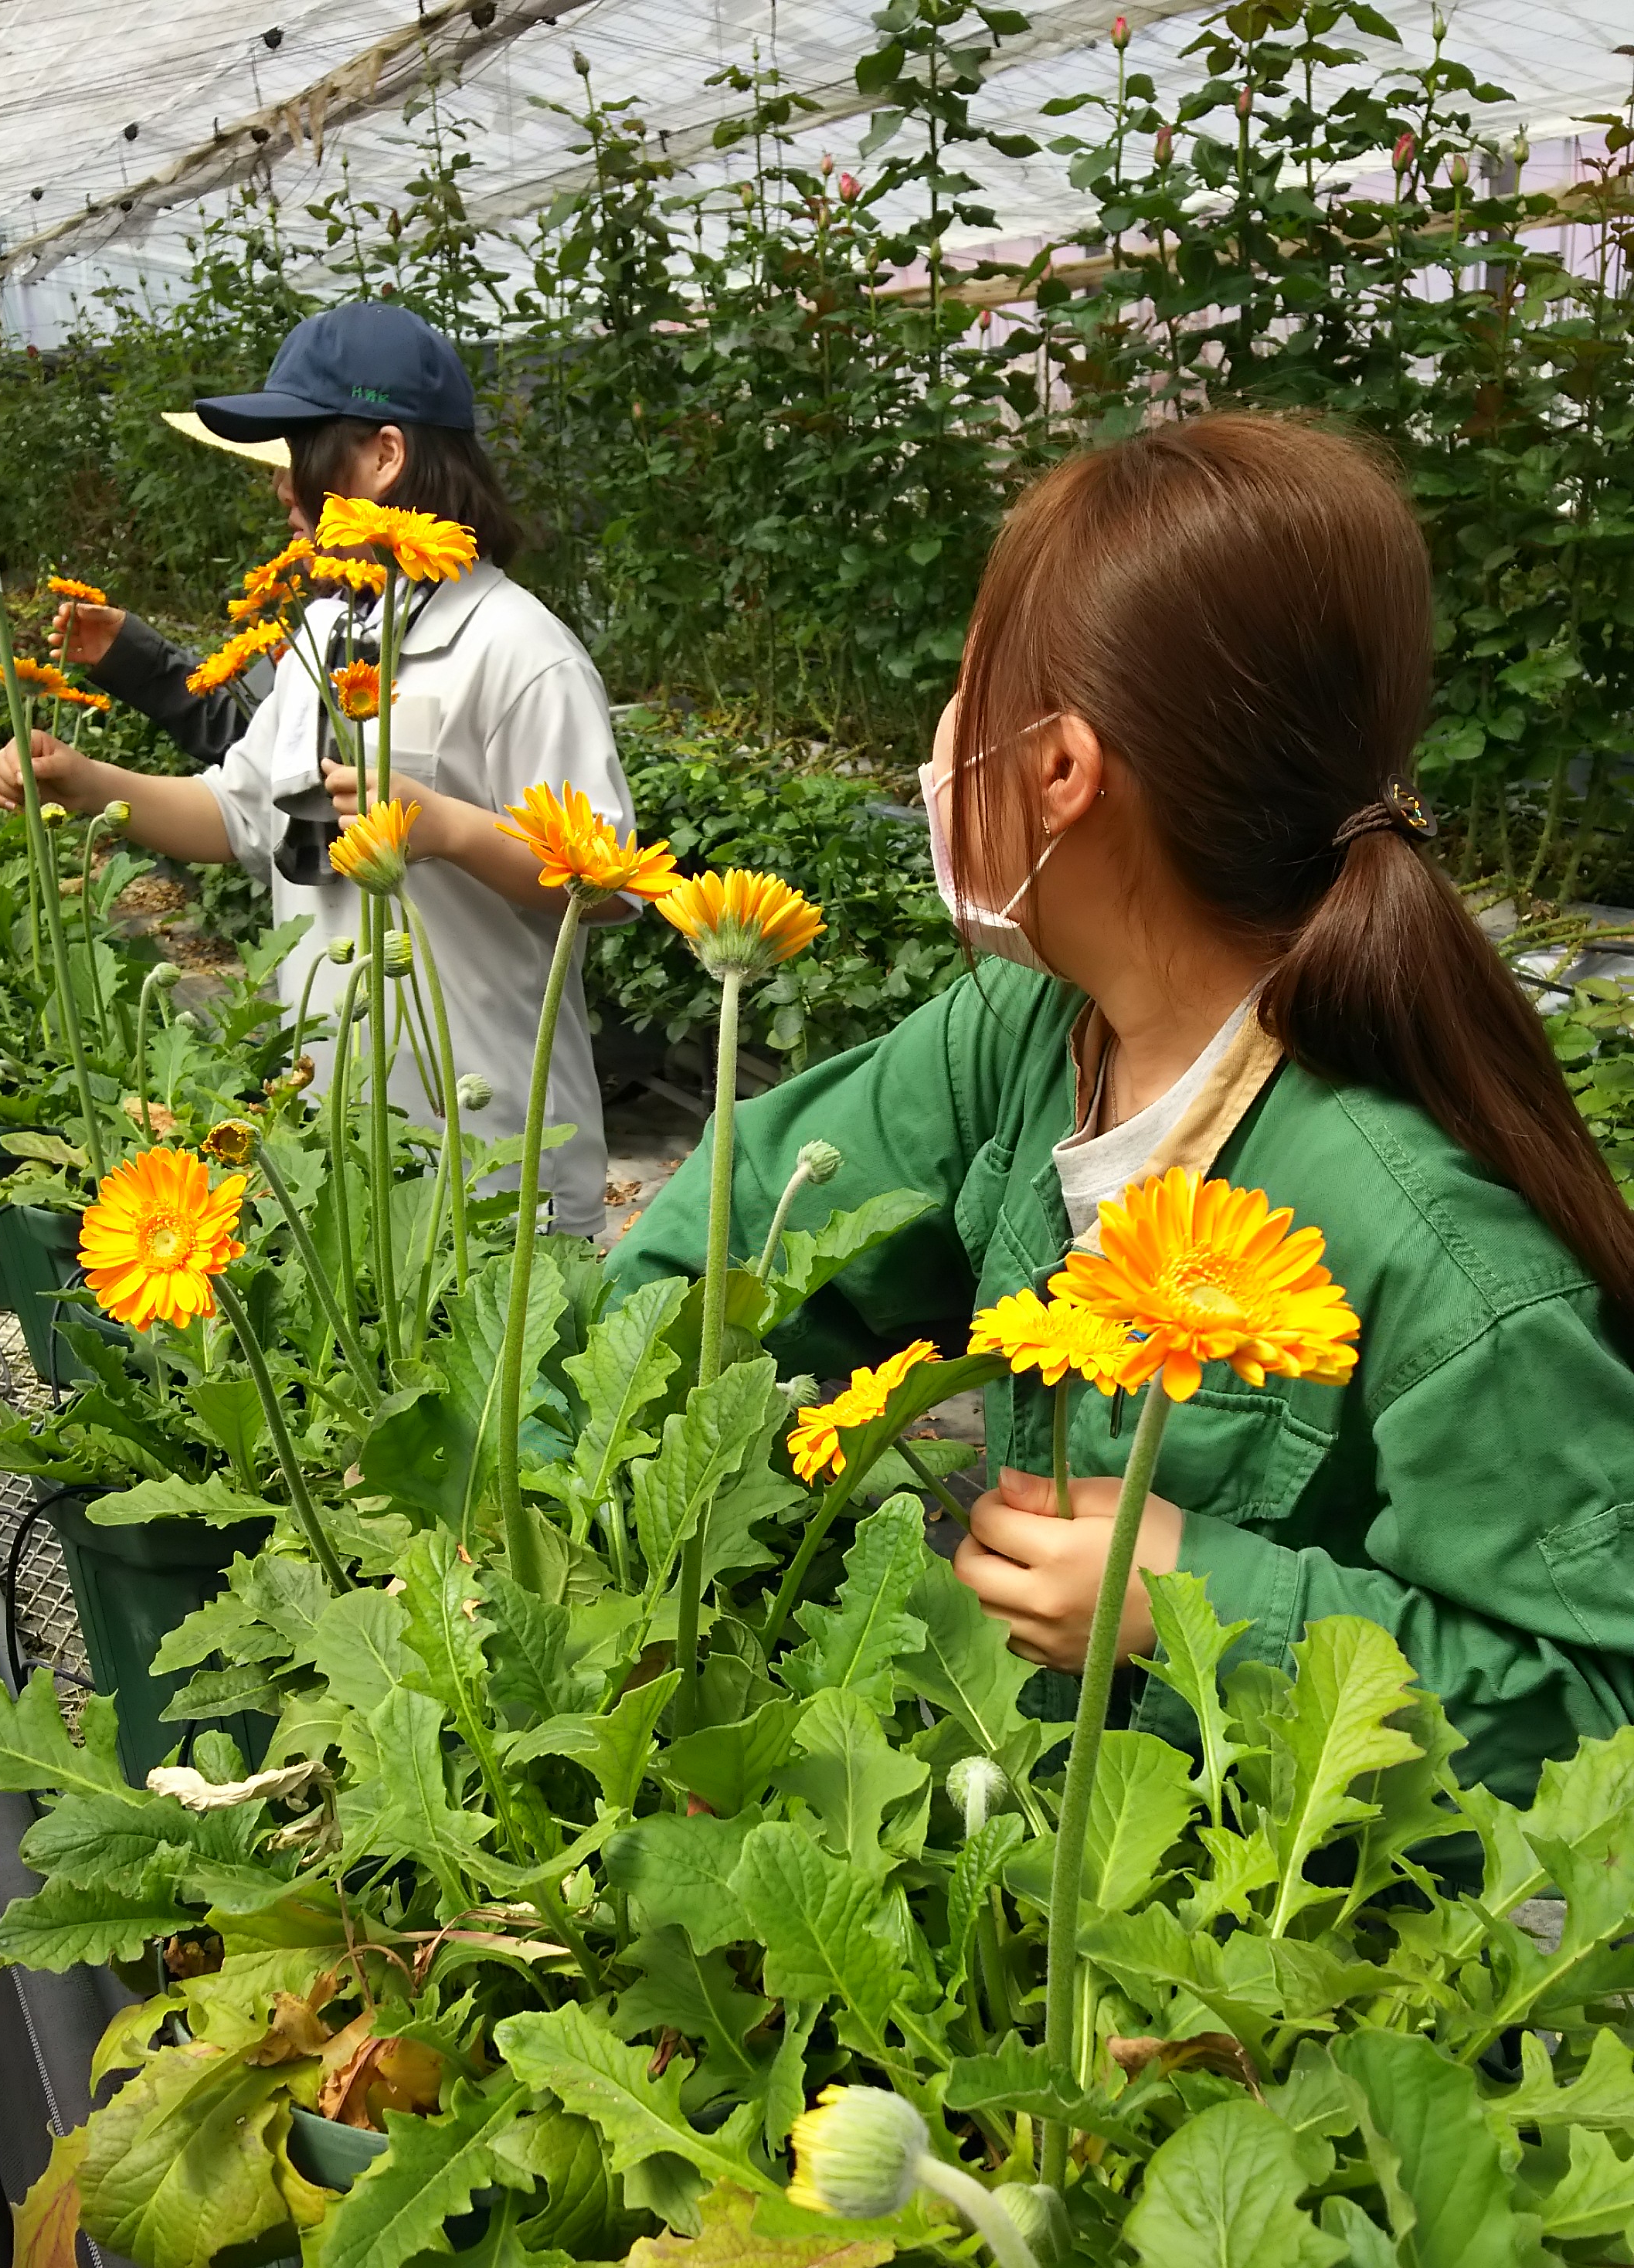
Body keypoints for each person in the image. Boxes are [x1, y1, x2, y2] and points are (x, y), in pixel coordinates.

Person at [610, 413, 1634, 1806]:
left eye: (968, 684)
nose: (941, 740)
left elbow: (1598, 1714)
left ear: (1059, 769)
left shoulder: (1440, 1250)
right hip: (1030, 1851)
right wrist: (592, 1538)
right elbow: (708, 1275)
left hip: (1264, 1923)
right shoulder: (1022, 1036)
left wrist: (1204, 1605)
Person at [0, 304, 631, 1233]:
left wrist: (446, 827)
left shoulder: (520, 651)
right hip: (340, 1149)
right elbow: (242, 814)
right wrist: (89, 784)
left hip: (493, 1167)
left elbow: (605, 883)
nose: (282, 486)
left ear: (384, 456)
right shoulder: (327, 632)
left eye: (300, 451)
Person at [44, 413, 294, 763]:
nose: (279, 487)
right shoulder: (333, 616)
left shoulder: (354, 627)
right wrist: (135, 657)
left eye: (300, 459)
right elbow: (250, 731)